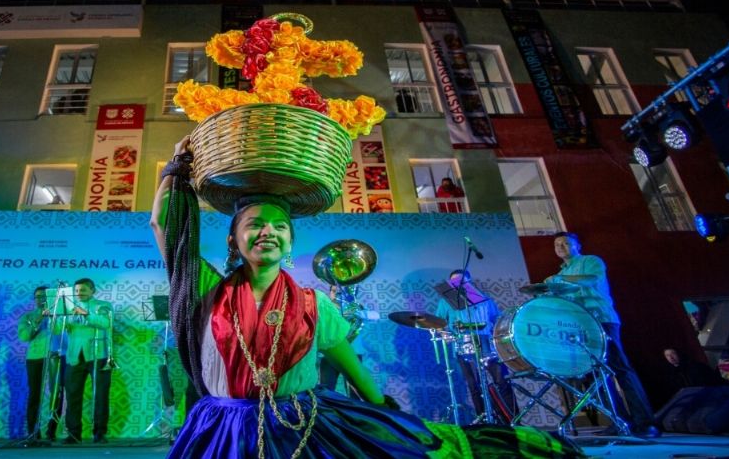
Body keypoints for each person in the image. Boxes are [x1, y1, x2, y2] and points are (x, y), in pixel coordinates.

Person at [151, 135, 582, 458]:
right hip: (221, 430)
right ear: (234, 238)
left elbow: (351, 367)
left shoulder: (313, 304)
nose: (268, 232)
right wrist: (173, 171)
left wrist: (385, 414)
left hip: (299, 427)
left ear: (290, 242)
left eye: (280, 227)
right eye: (255, 224)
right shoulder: (208, 289)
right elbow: (163, 227)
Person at [544, 231, 660, 438]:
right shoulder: (561, 272)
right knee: (597, 375)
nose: (561, 246)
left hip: (602, 320)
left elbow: (588, 280)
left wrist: (558, 280)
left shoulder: (590, 261)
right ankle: (620, 421)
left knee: (620, 369)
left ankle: (646, 422)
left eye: (566, 243)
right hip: (580, 325)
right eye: (557, 244)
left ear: (577, 246)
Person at [432, 270, 516, 422]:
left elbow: (496, 320)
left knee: (502, 381)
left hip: (487, 343)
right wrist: (444, 334)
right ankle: (483, 419)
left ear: (470, 283)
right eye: (453, 283)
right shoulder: (445, 302)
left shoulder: (485, 299)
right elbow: (437, 323)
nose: (457, 286)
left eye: (461, 282)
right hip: (462, 344)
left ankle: (513, 419)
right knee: (473, 385)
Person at [59, 278, 113, 444]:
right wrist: (55, 316)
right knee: (72, 396)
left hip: (98, 355)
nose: (79, 294)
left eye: (83, 290)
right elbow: (57, 331)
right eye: (76, 291)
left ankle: (99, 433)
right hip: (74, 356)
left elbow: (106, 323)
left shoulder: (103, 305)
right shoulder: (68, 308)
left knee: (101, 396)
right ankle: (73, 433)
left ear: (92, 291)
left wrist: (86, 314)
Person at [17, 286, 64, 441]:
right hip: (35, 358)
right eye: (37, 297)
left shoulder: (60, 314)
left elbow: (59, 332)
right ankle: (33, 431)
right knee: (34, 394)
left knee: (56, 393)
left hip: (55, 356)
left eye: (44, 296)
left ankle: (51, 431)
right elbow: (24, 337)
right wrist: (38, 320)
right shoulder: (28, 316)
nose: (41, 299)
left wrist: (52, 316)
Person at [661, 347, 726, 401]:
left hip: (708, 398)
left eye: (673, 353)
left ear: (678, 353)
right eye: (667, 355)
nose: (671, 357)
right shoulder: (670, 374)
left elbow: (714, 380)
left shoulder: (696, 366)